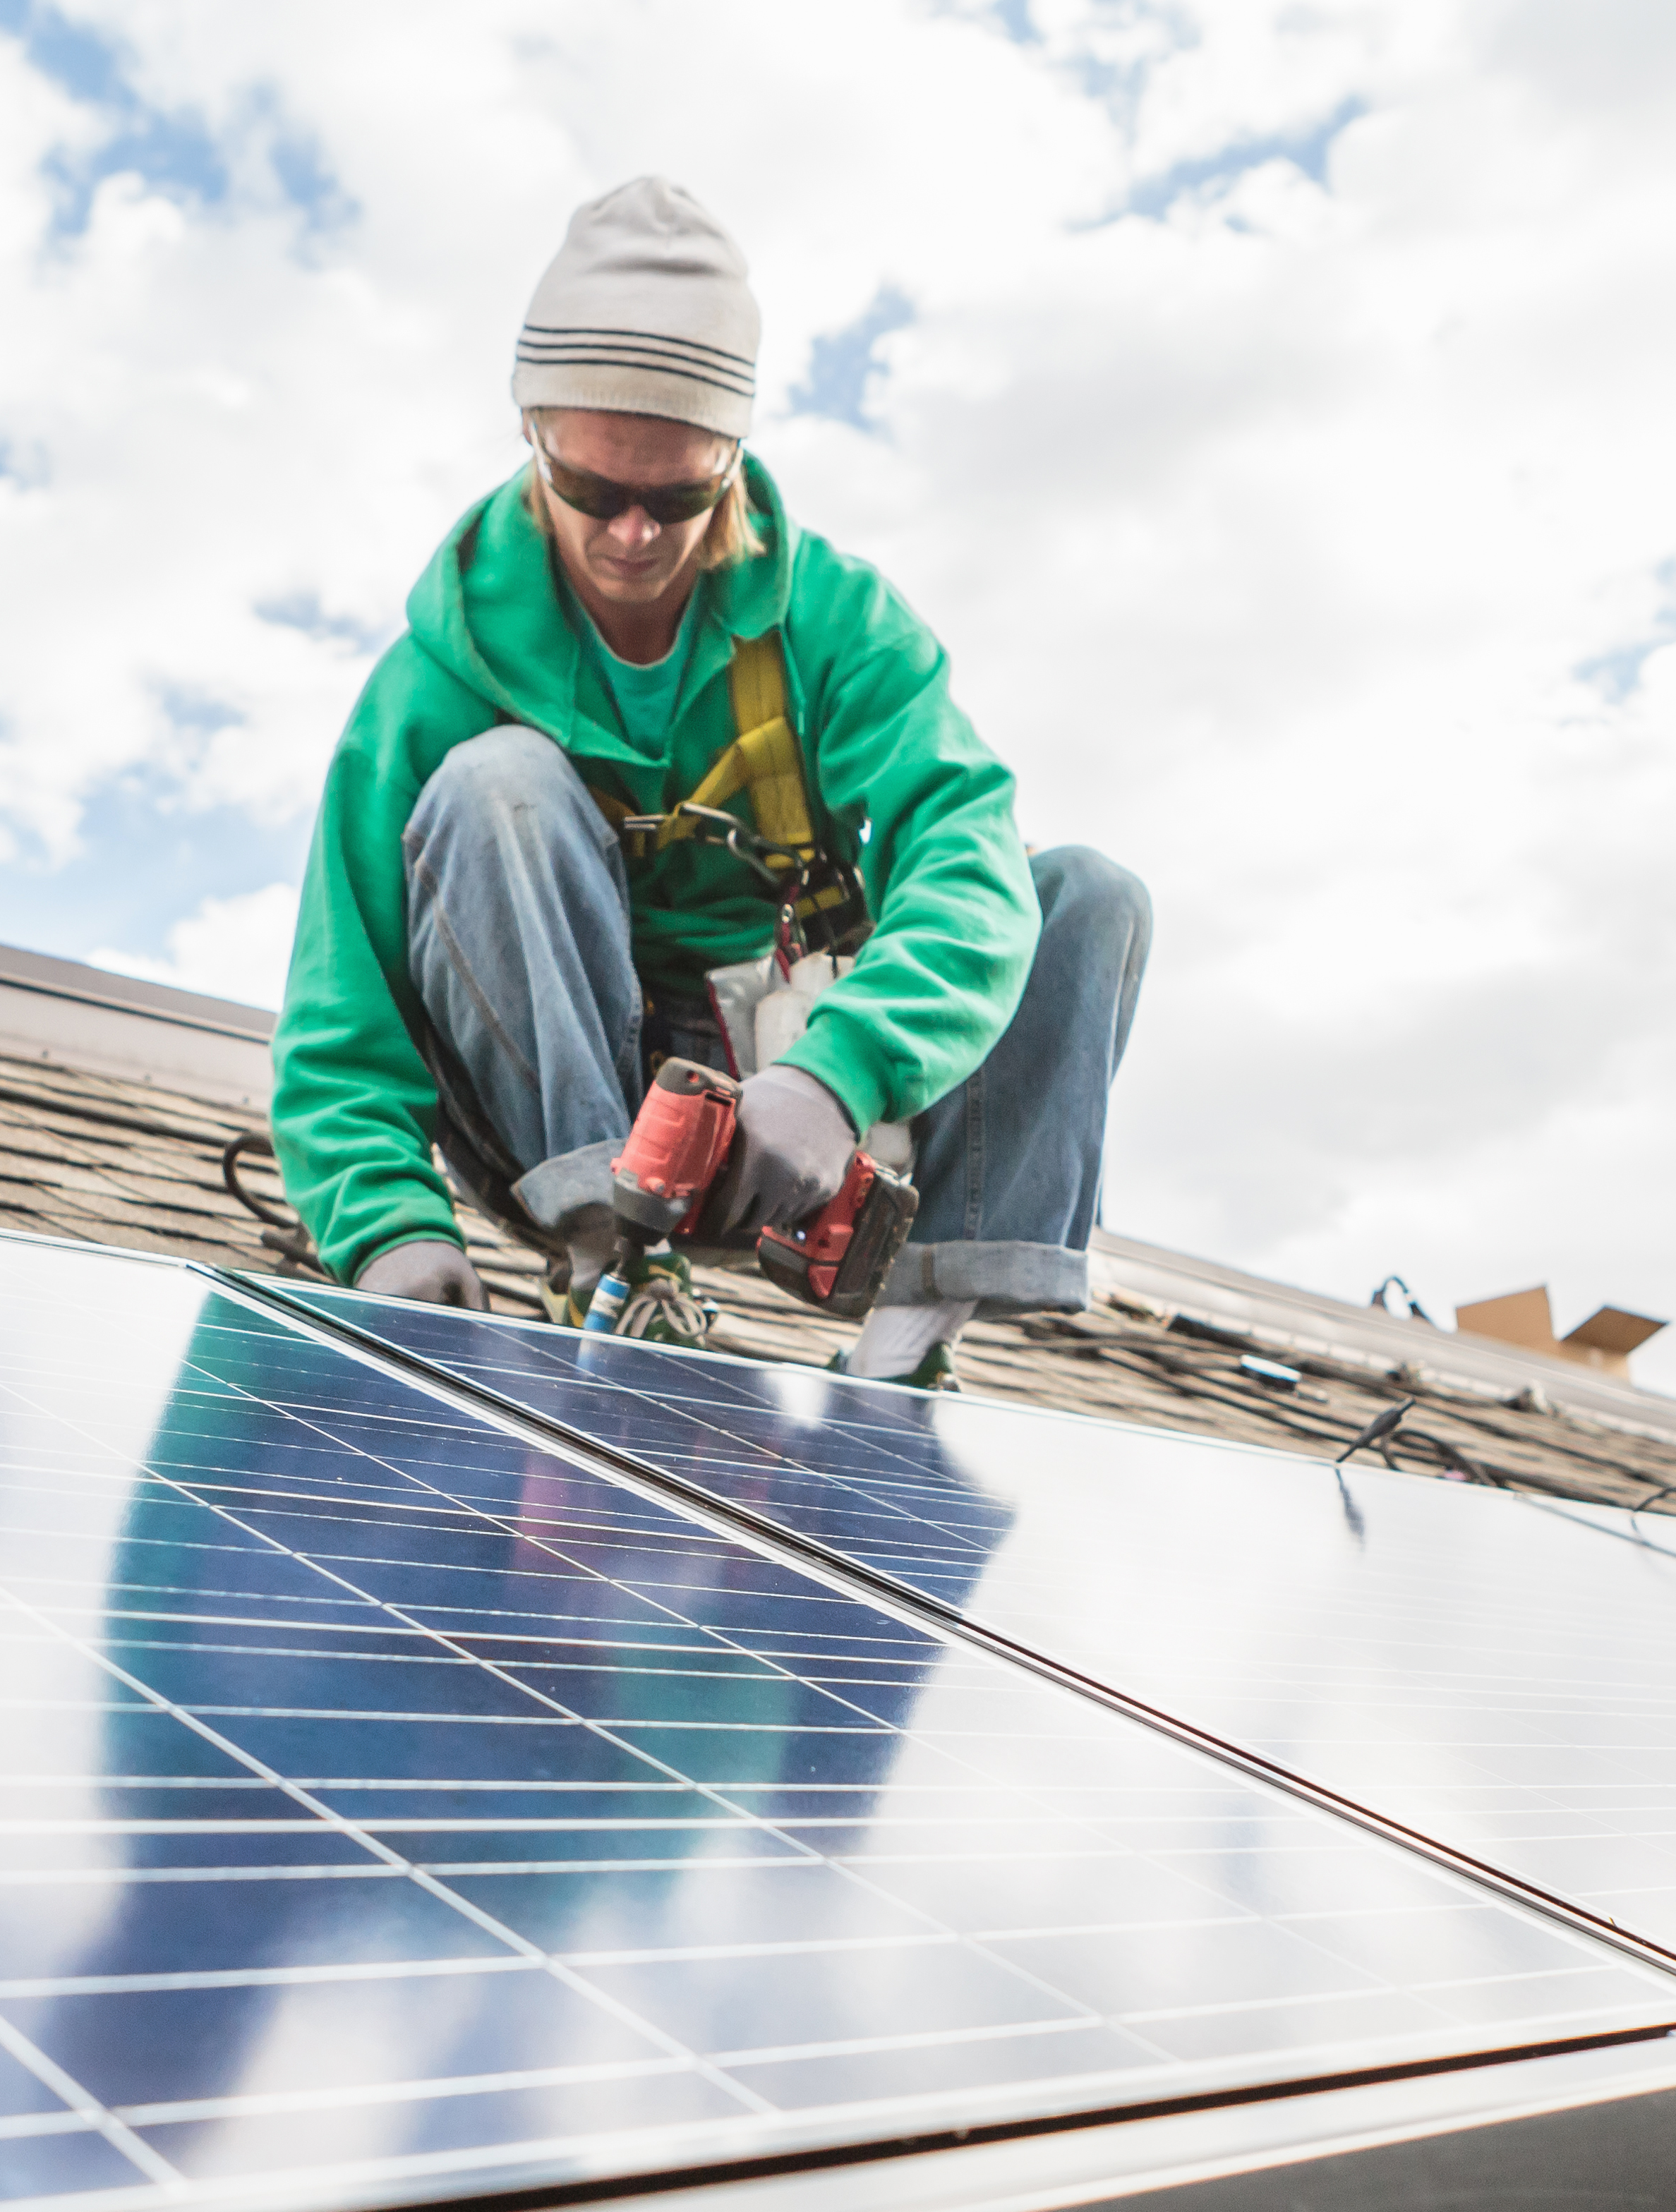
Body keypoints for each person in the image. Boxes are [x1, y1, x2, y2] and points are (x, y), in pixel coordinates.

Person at [267, 176, 1150, 1385]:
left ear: (732, 460)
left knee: (1088, 897)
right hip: (563, 1079)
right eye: (592, 489)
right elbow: (342, 1007)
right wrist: (386, 1230)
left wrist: (836, 1071)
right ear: (536, 440)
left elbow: (969, 864)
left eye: (675, 497)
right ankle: (615, 1268)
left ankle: (911, 1340)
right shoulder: (437, 676)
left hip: (794, 1081)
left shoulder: (840, 628)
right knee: (498, 787)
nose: (631, 534)